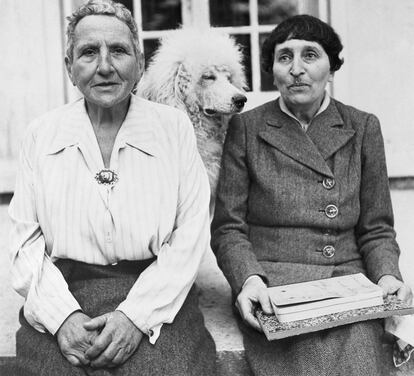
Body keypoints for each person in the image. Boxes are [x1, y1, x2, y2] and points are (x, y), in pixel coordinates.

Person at [8, 1, 216, 375]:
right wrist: (62, 318)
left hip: (157, 292)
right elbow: (24, 245)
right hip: (66, 290)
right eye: (89, 52)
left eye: (118, 51)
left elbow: (191, 236)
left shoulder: (173, 129)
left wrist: (135, 317)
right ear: (69, 67)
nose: (105, 66)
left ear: (138, 62)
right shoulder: (41, 135)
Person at [211, 14, 413, 376]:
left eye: (310, 55)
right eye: (285, 57)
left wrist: (386, 276)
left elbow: (377, 228)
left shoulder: (363, 127)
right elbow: (228, 228)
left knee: (360, 360)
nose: (296, 69)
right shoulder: (247, 128)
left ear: (332, 67)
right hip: (273, 286)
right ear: (272, 70)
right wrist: (249, 281)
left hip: (347, 283)